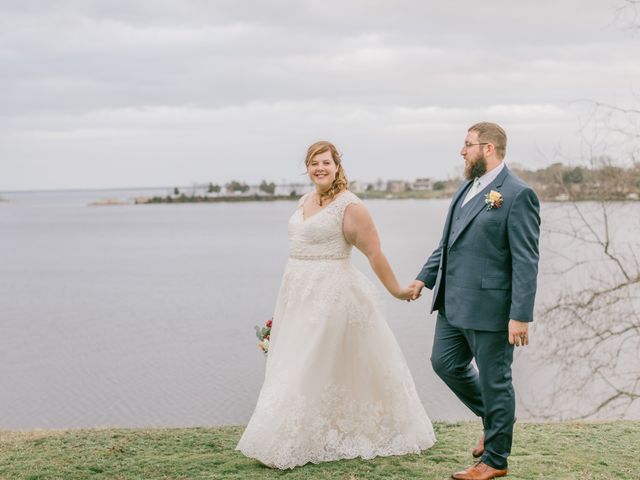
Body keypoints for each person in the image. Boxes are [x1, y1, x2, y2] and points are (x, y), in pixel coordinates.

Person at [236, 140, 435, 469]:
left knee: (306, 364)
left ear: (338, 167)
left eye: (326, 162)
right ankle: (306, 432)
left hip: (331, 295)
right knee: (294, 363)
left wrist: (398, 291)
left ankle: (289, 440)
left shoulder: (350, 206)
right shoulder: (306, 200)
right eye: (314, 163)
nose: (320, 168)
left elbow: (374, 254)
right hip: (297, 293)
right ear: (308, 168)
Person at [409, 122, 540, 480]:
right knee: (444, 363)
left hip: (492, 311)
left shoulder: (517, 194)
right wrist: (424, 277)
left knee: (496, 380)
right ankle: (495, 419)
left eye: (467, 145)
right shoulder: (466, 189)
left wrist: (520, 316)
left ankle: (496, 460)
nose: (461, 151)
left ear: (488, 149)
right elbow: (447, 243)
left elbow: (526, 260)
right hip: (452, 304)